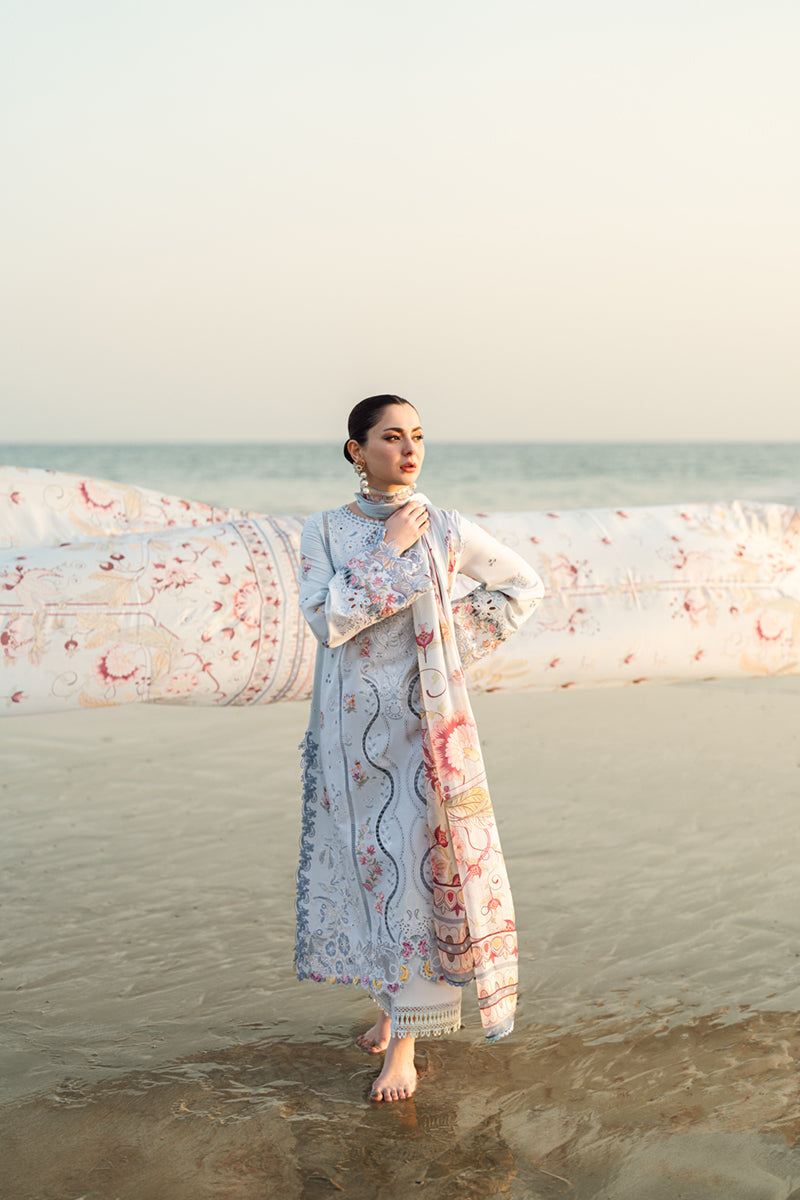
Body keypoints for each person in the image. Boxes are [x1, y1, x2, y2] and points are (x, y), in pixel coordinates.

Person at [295, 395, 544, 1101]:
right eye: (391, 437)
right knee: (368, 867)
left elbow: (522, 586)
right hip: (346, 737)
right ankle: (388, 1006)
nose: (409, 451)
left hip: (421, 731)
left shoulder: (448, 527)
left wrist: (438, 649)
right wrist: (390, 550)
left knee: (415, 875)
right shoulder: (323, 530)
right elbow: (326, 620)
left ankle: (404, 1046)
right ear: (357, 450)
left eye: (418, 437)